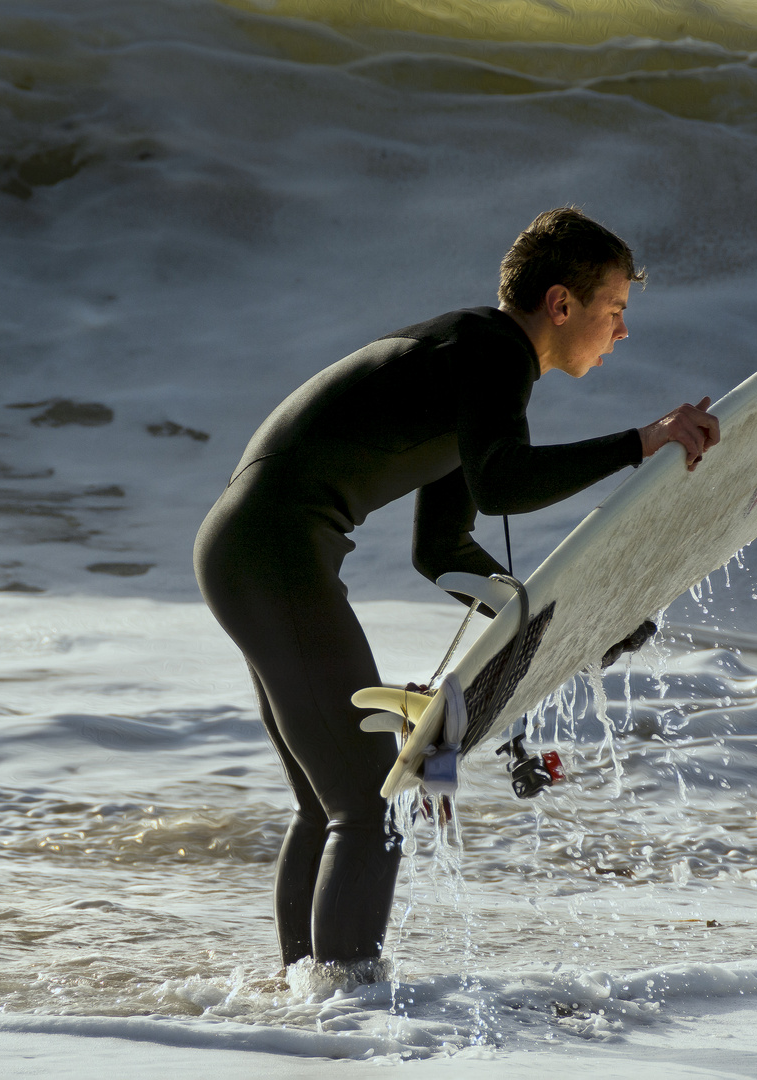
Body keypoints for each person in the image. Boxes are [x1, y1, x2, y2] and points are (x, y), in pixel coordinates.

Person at [193, 207, 719, 974]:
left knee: (332, 804)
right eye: (616, 310)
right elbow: (504, 484)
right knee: (368, 810)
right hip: (274, 553)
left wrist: (563, 621)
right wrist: (643, 441)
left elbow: (440, 552)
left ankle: (306, 1004)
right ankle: (348, 1012)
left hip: (252, 550)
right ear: (561, 304)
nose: (622, 332)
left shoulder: (469, 358)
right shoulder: (491, 349)